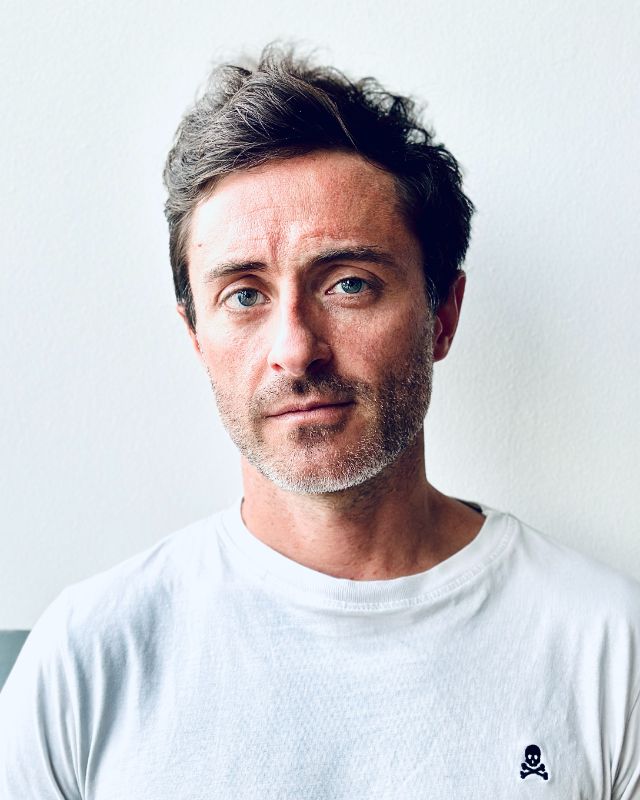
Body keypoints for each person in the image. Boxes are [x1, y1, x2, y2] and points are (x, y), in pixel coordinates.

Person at [1, 44, 639, 799]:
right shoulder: (87, 658)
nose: (296, 349)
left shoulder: (607, 649)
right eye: (245, 295)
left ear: (442, 314)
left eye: (349, 284)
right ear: (196, 337)